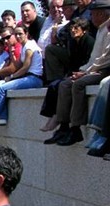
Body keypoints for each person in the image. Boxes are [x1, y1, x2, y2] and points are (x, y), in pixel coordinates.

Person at [44, 0, 110, 146]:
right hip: (94, 68)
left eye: (92, 15)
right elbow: (95, 58)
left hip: (104, 70)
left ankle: (76, 127)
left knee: (78, 84)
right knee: (65, 84)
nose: (91, 18)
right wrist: (82, 71)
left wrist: (85, 73)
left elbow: (104, 59)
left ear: (100, 14)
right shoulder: (101, 29)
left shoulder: (107, 29)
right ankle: (63, 126)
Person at [0, 24, 45, 126]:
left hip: (34, 78)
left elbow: (25, 67)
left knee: (1, 89)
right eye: (16, 34)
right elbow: (17, 65)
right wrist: (11, 54)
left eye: (20, 34)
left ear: (26, 34)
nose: (18, 36)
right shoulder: (24, 47)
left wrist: (11, 77)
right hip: (28, 78)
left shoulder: (30, 47)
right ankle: (0, 117)